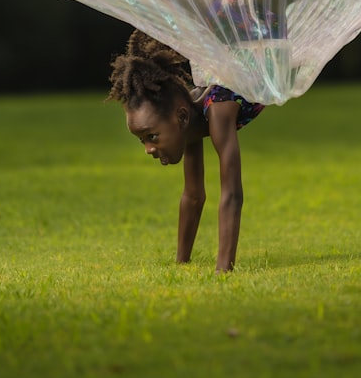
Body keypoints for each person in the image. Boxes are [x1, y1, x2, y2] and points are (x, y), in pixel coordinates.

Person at [106, 30, 264, 273]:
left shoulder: (218, 110)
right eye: (143, 141)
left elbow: (232, 193)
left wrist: (223, 270)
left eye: (152, 137)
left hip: (263, 37)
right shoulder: (188, 116)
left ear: (180, 117)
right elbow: (193, 195)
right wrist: (181, 263)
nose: (149, 149)